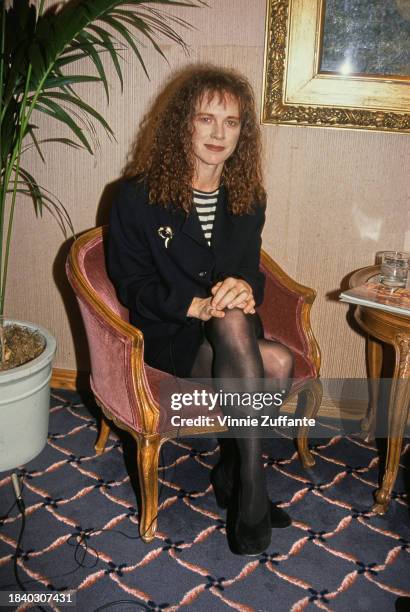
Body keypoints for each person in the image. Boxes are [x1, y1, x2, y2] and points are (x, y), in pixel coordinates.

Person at [108, 65, 294, 556]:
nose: (218, 133)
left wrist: (244, 289)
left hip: (227, 333)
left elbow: (250, 270)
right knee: (269, 359)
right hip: (172, 332)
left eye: (231, 122)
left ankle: (237, 474)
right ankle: (248, 485)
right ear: (183, 124)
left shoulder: (248, 198)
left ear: (243, 134)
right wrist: (193, 304)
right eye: (206, 119)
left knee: (272, 355)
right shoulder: (135, 196)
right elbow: (132, 285)